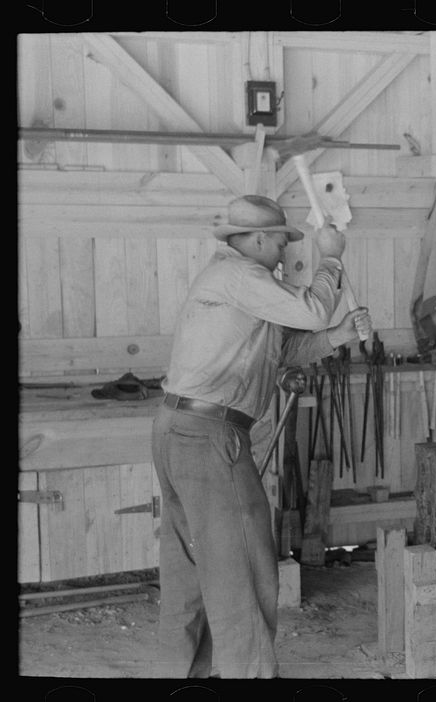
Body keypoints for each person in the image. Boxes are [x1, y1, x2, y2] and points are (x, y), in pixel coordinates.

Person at [151, 194, 371, 678]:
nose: (284, 252)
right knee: (246, 578)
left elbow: (287, 346)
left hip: (181, 430)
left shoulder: (242, 284)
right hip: (209, 436)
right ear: (254, 239)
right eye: (279, 241)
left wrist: (338, 336)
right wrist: (330, 255)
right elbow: (311, 309)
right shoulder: (240, 275)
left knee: (190, 579)